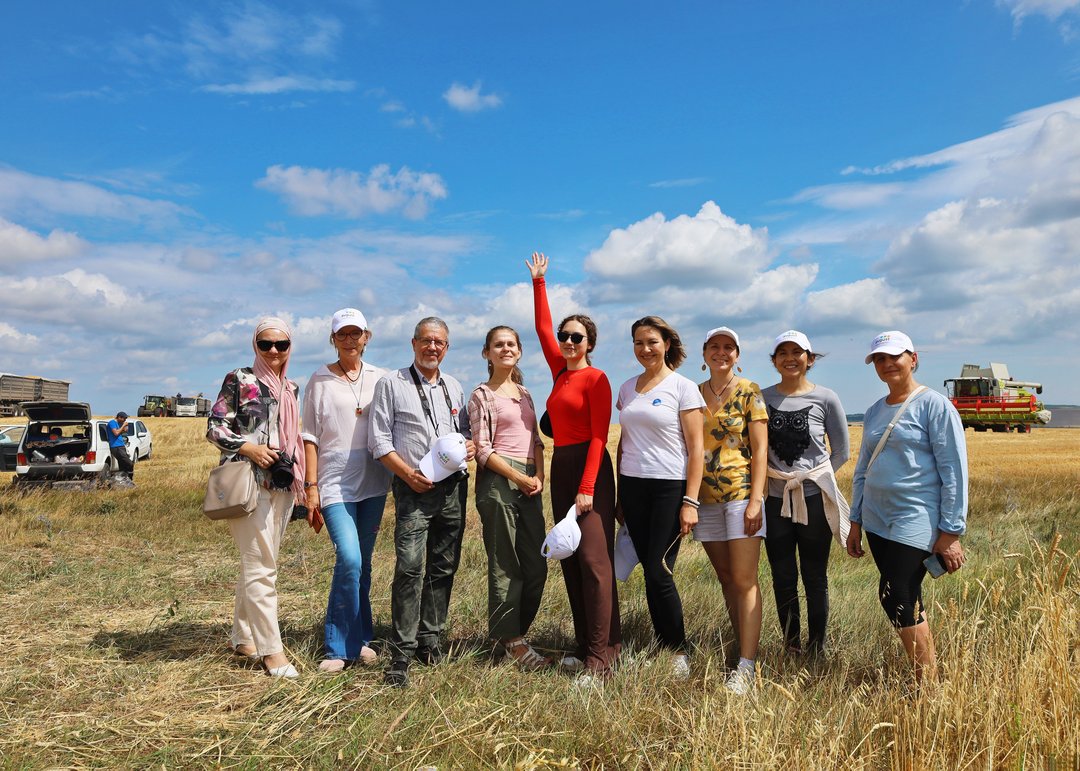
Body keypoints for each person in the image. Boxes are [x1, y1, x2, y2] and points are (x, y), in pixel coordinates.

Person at [847, 331, 968, 682]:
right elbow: (862, 469)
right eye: (879, 359)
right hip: (877, 520)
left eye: (894, 356)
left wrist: (951, 532)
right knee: (907, 595)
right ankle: (926, 680)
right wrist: (855, 520)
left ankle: (927, 684)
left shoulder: (934, 406)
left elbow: (954, 470)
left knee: (895, 594)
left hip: (915, 516)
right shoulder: (874, 411)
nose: (887, 364)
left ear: (913, 359)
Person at [527, 252, 620, 686]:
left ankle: (601, 660)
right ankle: (588, 647)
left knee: (594, 562)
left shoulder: (596, 379)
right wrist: (539, 283)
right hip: (561, 464)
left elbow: (600, 436)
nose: (567, 341)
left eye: (576, 337)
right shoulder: (558, 372)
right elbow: (542, 329)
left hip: (590, 468)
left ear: (590, 344)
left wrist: (587, 487)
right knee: (569, 556)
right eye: (565, 336)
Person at [369, 317, 475, 687]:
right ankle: (402, 651)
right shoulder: (392, 383)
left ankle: (431, 639)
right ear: (413, 343)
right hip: (413, 488)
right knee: (410, 567)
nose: (432, 348)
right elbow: (379, 440)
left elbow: (463, 432)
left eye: (439, 342)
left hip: (453, 488)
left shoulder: (454, 386)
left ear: (447, 347)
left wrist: (469, 446)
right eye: (426, 341)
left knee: (444, 566)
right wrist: (407, 474)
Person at [206, 317, 307, 679]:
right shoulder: (240, 379)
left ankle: (242, 637)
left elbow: (293, 436)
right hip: (248, 484)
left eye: (281, 344)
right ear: (255, 346)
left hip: (282, 484)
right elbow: (215, 427)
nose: (274, 351)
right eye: (266, 344)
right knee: (262, 568)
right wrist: (249, 448)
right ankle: (271, 652)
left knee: (260, 564)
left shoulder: (292, 387)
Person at [301, 308, 392, 674]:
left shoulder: (381, 378)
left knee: (363, 564)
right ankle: (338, 646)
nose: (350, 340)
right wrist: (311, 486)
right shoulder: (319, 380)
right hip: (334, 483)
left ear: (367, 337)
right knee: (350, 559)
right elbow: (309, 436)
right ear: (333, 339)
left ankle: (362, 638)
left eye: (356, 333)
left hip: (374, 484)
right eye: (343, 334)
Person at [615, 316, 704, 679]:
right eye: (638, 342)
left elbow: (696, 449)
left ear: (667, 344)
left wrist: (690, 502)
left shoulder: (684, 387)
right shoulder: (627, 388)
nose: (645, 349)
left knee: (659, 569)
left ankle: (678, 651)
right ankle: (661, 643)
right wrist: (620, 496)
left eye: (652, 341)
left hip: (669, 487)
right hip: (633, 487)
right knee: (648, 571)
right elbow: (624, 443)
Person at [761, 330, 850, 657]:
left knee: (815, 576)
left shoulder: (826, 398)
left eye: (797, 352)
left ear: (810, 359)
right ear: (774, 360)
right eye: (782, 353)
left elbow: (841, 451)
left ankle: (817, 648)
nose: (790, 358)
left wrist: (814, 479)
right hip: (774, 500)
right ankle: (791, 645)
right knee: (782, 575)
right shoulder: (761, 398)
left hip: (814, 501)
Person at [467, 326, 550, 668]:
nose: (505, 349)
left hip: (530, 479)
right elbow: (482, 449)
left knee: (537, 565)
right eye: (498, 345)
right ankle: (512, 641)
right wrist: (517, 476)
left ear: (519, 350)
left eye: (511, 344)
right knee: (505, 564)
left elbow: (537, 441)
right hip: (499, 481)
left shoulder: (525, 393)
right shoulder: (481, 395)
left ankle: (512, 634)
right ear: (486, 353)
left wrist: (539, 476)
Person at [695, 326, 768, 695]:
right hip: (705, 499)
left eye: (728, 347)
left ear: (737, 355)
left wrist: (756, 500)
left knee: (744, 579)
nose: (721, 353)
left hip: (741, 496)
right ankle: (742, 650)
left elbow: (761, 450)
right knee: (726, 578)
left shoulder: (750, 391)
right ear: (704, 353)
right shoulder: (693, 393)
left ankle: (747, 666)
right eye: (714, 346)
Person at [106, 411, 135, 482]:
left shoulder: (118, 424)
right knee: (129, 463)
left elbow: (122, 431)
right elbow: (116, 433)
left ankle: (122, 480)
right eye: (124, 418)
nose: (125, 420)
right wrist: (123, 425)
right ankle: (130, 478)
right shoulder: (112, 423)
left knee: (122, 465)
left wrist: (124, 428)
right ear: (119, 417)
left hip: (121, 446)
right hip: (116, 447)